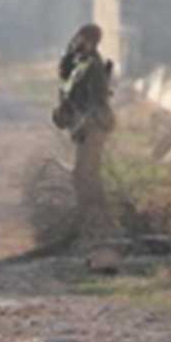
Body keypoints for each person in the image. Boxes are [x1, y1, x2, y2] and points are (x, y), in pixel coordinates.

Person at [55, 24, 115, 233]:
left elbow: (97, 103)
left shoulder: (93, 66)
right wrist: (68, 54)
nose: (76, 41)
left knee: (85, 174)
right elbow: (64, 76)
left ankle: (97, 221)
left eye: (80, 38)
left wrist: (83, 125)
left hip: (94, 125)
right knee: (84, 174)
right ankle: (93, 219)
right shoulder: (80, 63)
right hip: (84, 125)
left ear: (90, 41)